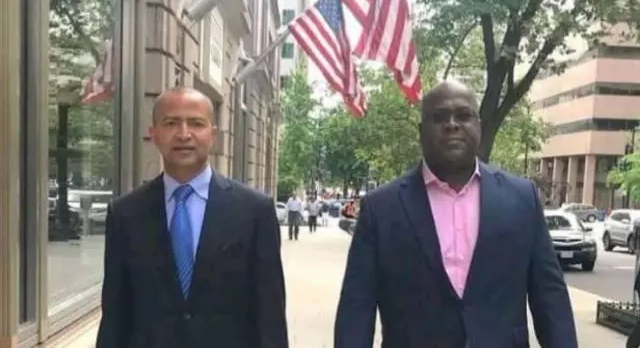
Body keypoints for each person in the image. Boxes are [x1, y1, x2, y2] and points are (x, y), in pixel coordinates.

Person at [334, 80, 577, 347]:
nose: (452, 124)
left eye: (463, 115)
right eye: (438, 117)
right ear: (421, 131)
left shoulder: (521, 199)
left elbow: (551, 300)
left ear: (479, 127)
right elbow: (356, 310)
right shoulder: (380, 208)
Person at [96, 87, 288, 348]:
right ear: (153, 134)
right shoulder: (125, 213)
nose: (184, 134)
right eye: (171, 123)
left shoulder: (255, 211)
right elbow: (115, 313)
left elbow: (270, 315)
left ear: (213, 135)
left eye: (196, 123)